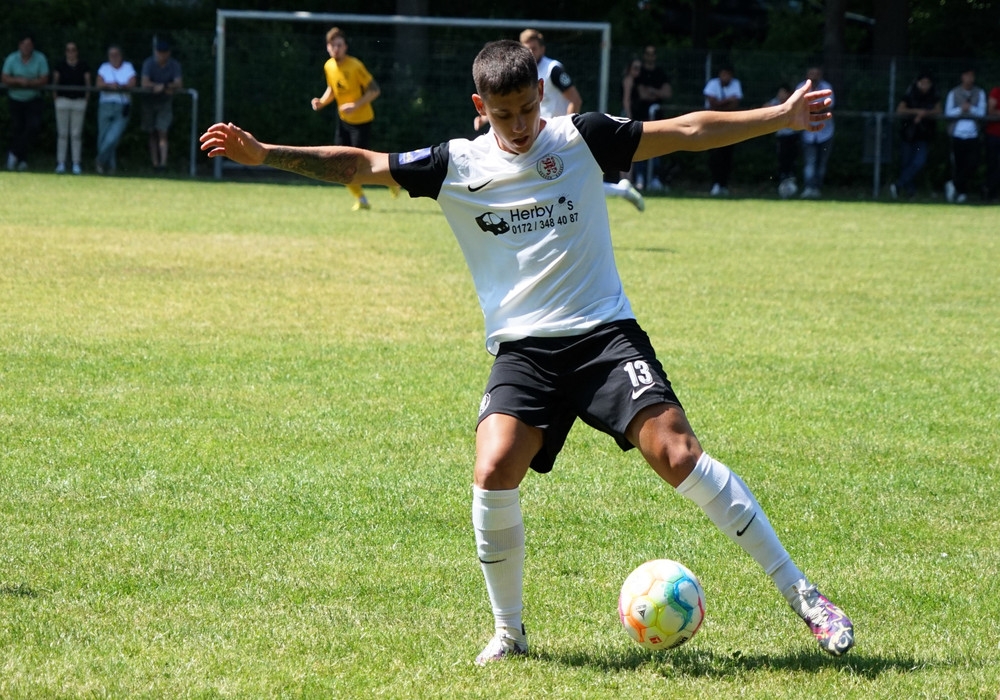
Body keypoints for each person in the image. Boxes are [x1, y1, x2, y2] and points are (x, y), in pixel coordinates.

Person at [200, 39, 854, 666]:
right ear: (479, 107)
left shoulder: (582, 137)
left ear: (541, 92)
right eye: (503, 114)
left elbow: (685, 130)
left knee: (678, 454)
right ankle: (509, 633)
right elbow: (360, 164)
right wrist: (266, 155)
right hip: (524, 352)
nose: (518, 126)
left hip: (603, 336)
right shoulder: (456, 163)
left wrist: (781, 117)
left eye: (526, 108)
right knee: (493, 470)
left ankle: (805, 596)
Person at [520, 28, 643, 212]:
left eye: (534, 48)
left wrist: (564, 130)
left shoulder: (553, 69)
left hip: (555, 137)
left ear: (542, 49)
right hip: (538, 136)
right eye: (526, 49)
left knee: (561, 181)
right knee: (563, 182)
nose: (530, 53)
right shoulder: (524, 73)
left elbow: (575, 100)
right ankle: (621, 190)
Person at [311, 27, 396, 210]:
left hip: (362, 121)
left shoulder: (355, 66)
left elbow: (375, 90)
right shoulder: (328, 66)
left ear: (345, 47)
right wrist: (322, 102)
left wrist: (355, 105)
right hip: (343, 121)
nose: (336, 49)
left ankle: (391, 180)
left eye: (339, 45)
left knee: (362, 166)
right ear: (327, 47)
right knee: (338, 163)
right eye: (332, 45)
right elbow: (332, 89)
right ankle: (361, 199)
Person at [2, 34, 49, 171]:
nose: (26, 48)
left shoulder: (40, 58)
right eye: (24, 44)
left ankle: (13, 154)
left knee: (32, 127)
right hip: (15, 99)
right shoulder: (12, 58)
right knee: (17, 128)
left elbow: (44, 78)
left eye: (29, 45)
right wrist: (18, 81)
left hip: (33, 99)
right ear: (19, 45)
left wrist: (30, 83)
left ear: (33, 46)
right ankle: (22, 160)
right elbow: (5, 78)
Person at [891, 72, 941, 200]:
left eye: (927, 83)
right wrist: (917, 112)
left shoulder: (933, 96)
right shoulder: (910, 95)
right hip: (908, 134)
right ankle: (910, 191)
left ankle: (898, 185)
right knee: (906, 162)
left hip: (923, 136)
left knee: (919, 162)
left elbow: (938, 110)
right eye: (922, 82)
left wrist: (925, 114)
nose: (925, 85)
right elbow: (900, 110)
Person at [943, 67, 987, 204]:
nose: (969, 79)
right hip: (957, 134)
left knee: (973, 163)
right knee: (959, 164)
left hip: (973, 135)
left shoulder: (979, 93)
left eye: (972, 76)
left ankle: (954, 185)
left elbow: (982, 113)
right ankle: (961, 192)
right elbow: (948, 113)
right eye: (967, 75)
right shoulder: (953, 93)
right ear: (962, 77)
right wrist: (960, 109)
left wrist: (971, 109)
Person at [633, 45, 672, 191]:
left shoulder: (660, 73)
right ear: (644, 55)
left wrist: (652, 91)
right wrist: (657, 92)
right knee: (640, 145)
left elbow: (667, 93)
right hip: (641, 116)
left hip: (657, 117)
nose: (650, 56)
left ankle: (655, 178)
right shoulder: (640, 73)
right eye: (648, 53)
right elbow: (642, 94)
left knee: (657, 145)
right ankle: (640, 177)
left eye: (653, 54)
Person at [140, 39, 183, 171]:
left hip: (165, 102)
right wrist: (156, 87)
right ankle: (155, 163)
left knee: (162, 131)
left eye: (164, 52)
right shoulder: (149, 63)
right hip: (149, 102)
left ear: (168, 53)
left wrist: (163, 86)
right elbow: (144, 83)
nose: (161, 55)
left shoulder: (174, 65)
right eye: (159, 52)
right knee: (152, 132)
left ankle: (163, 164)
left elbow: (179, 84)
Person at [95, 45, 137, 174]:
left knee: (113, 137)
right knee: (103, 136)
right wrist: (109, 85)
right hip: (105, 104)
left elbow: (132, 83)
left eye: (116, 54)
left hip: (122, 106)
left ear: (121, 55)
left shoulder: (128, 67)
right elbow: (99, 83)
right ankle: (110, 167)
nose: (114, 57)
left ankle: (99, 160)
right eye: (111, 55)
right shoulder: (104, 67)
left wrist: (120, 86)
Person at [52, 41, 91, 175]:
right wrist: (56, 98)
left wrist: (85, 99)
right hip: (62, 101)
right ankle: (61, 163)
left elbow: (88, 84)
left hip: (79, 102)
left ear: (77, 52)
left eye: (73, 50)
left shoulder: (83, 65)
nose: (71, 53)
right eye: (68, 50)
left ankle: (76, 163)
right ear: (65, 52)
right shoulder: (60, 65)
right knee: (62, 134)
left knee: (76, 134)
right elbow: (55, 82)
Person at [703, 64, 743, 196]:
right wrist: (727, 101)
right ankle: (715, 183)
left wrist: (720, 104)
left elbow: (734, 105)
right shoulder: (713, 84)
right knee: (715, 154)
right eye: (723, 74)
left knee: (727, 155)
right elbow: (712, 104)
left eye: (728, 74)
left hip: (729, 125)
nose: (725, 77)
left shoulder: (736, 84)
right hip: (713, 124)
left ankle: (724, 185)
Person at [796, 66, 834, 199]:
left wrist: (813, 110)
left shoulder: (827, 87)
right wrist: (815, 110)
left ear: (820, 75)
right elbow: (797, 108)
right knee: (810, 162)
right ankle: (809, 188)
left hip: (825, 132)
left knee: (822, 163)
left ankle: (817, 189)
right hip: (808, 132)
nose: (813, 76)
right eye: (811, 74)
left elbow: (829, 106)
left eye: (816, 74)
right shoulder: (801, 88)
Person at [766, 84, 799, 197]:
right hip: (781, 137)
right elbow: (764, 108)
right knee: (782, 161)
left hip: (792, 136)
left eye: (783, 92)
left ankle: (791, 182)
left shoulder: (792, 104)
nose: (780, 95)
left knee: (791, 161)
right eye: (779, 92)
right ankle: (783, 182)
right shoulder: (776, 103)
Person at [986, 83, 1000, 203]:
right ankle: (990, 193)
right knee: (993, 165)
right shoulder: (996, 91)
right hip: (994, 135)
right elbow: (991, 110)